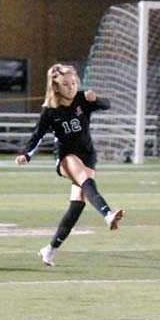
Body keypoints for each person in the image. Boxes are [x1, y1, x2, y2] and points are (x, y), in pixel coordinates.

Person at [15, 64, 124, 267]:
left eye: (74, 82)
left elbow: (107, 104)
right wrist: (26, 155)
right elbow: (37, 135)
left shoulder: (82, 99)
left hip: (88, 154)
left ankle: (49, 250)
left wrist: (96, 99)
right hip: (66, 156)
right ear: (56, 86)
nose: (71, 87)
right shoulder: (50, 110)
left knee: (77, 205)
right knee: (84, 178)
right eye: (65, 84)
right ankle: (108, 214)